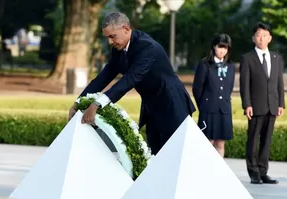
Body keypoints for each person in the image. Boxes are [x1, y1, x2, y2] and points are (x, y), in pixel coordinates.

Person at [68, 12, 196, 155]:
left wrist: (97, 104)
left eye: (112, 36)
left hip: (173, 104)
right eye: (107, 38)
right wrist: (78, 102)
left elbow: (130, 79)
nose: (110, 42)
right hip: (151, 107)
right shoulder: (118, 50)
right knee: (156, 155)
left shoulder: (147, 47)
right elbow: (103, 78)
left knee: (176, 155)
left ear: (126, 29)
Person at [239, 22, 285, 184]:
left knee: (267, 140)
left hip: (272, 105)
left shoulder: (276, 58)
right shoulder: (247, 58)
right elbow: (244, 84)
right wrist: (247, 104)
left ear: (270, 38)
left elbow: (279, 83)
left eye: (265, 35)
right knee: (253, 139)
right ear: (253, 38)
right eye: (258, 35)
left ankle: (263, 171)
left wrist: (281, 104)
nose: (261, 38)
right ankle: (254, 173)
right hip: (256, 106)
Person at [192, 34, 235, 158]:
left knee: (220, 144)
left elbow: (229, 88)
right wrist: (204, 106)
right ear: (214, 47)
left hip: (224, 110)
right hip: (208, 110)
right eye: (220, 47)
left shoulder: (230, 66)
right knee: (207, 142)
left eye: (226, 48)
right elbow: (197, 89)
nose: (222, 50)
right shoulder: (205, 64)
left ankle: (218, 174)